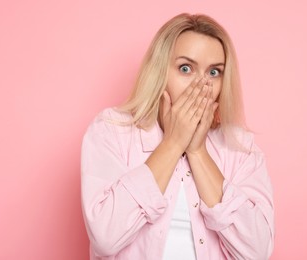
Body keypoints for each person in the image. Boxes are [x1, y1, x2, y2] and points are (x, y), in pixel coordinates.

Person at [81, 13, 274, 260]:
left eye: (214, 72)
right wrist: (173, 144)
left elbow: (258, 251)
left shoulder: (240, 146)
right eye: (186, 68)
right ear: (160, 72)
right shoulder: (110, 130)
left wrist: (197, 151)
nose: (202, 85)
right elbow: (105, 237)